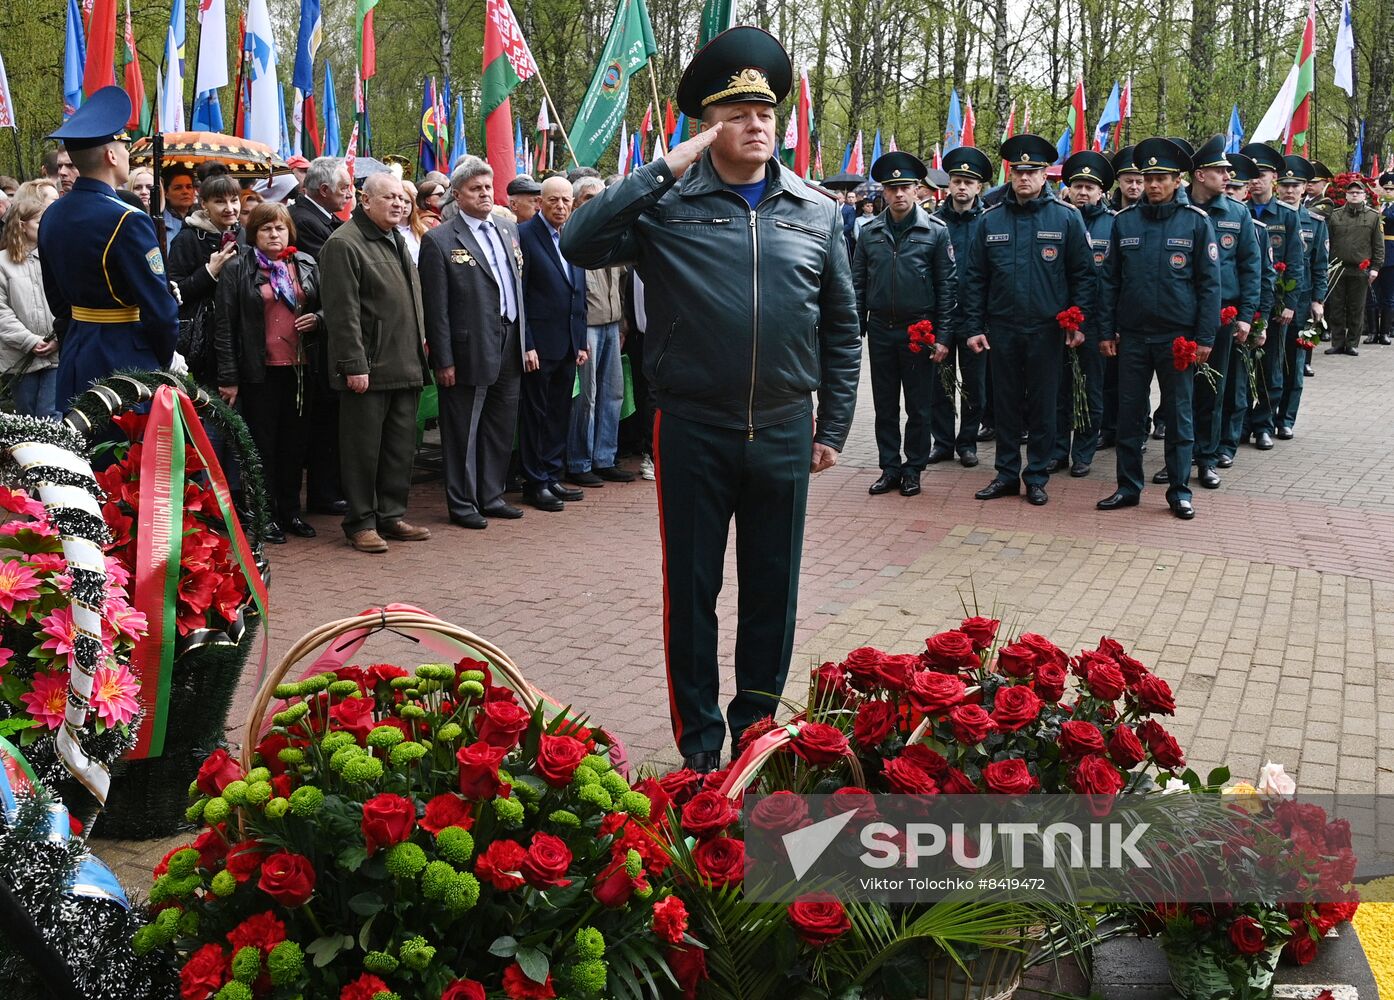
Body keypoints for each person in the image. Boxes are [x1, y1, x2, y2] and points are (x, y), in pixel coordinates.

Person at [562, 26, 860, 772]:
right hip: (693, 427)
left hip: (788, 429)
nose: (757, 125)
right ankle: (698, 749)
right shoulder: (667, 206)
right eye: (737, 114)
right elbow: (578, 240)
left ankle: (754, 735)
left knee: (772, 595)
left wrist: (838, 424)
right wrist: (665, 167)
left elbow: (843, 324)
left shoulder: (817, 211)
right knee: (692, 595)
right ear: (709, 127)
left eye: (766, 113)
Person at [960, 133, 1096, 507]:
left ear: (1045, 176)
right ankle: (1005, 473)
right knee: (1004, 404)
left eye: (1032, 171)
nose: (1024, 178)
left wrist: (1077, 322)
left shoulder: (1066, 218)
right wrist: (973, 327)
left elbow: (1083, 275)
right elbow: (975, 278)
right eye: (1018, 171)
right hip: (1001, 329)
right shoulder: (990, 219)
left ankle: (1036, 475)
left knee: (1043, 404)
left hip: (1046, 330)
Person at [1096, 137, 1220, 521]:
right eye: (1148, 177)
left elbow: (1209, 285)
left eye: (1161, 178)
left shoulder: (1196, 223)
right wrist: (1106, 330)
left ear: (1178, 180)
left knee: (1180, 418)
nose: (1152, 185)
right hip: (1132, 337)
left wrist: (1204, 338)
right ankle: (1128, 487)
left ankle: (1180, 491)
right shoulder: (1124, 222)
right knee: (1130, 415)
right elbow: (1110, 282)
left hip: (1177, 338)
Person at [37, 87, 179, 407]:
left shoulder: (52, 215)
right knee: (123, 455)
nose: (128, 154)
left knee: (81, 455)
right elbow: (161, 312)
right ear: (111, 155)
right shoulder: (129, 220)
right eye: (124, 145)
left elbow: (58, 303)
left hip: (76, 355)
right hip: (126, 362)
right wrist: (160, 359)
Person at [320, 173, 432, 553]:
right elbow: (342, 312)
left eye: (402, 198)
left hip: (405, 363)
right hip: (369, 367)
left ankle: (391, 515)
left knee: (400, 449)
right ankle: (361, 522)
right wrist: (354, 364)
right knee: (362, 451)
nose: (400, 204)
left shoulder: (397, 239)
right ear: (365, 201)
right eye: (390, 197)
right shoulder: (345, 244)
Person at [419, 156, 528, 529]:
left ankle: (491, 495)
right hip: (468, 347)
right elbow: (437, 308)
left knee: (500, 424)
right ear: (457, 195)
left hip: (510, 339)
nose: (484, 194)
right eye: (475, 189)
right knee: (463, 429)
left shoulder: (507, 229)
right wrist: (443, 359)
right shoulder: (439, 240)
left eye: (487, 187)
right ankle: (463, 503)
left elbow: (517, 288)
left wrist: (525, 341)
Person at [214, 202, 321, 543]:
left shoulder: (303, 263)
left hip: (300, 370)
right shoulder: (238, 268)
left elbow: (328, 307)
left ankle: (290, 511)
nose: (274, 234)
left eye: (280, 228)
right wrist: (228, 378)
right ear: (253, 233)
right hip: (258, 371)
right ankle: (264, 516)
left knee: (296, 445)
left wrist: (318, 320)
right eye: (266, 228)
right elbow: (225, 326)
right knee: (262, 447)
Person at [852, 151, 955, 498]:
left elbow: (946, 287)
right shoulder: (870, 232)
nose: (898, 194)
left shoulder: (936, 232)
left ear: (917, 190)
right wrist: (856, 329)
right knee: (884, 404)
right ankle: (889, 467)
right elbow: (858, 284)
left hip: (919, 331)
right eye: (892, 187)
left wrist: (943, 336)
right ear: (883, 191)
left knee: (918, 406)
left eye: (905, 187)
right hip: (881, 328)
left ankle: (913, 469)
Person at [1184, 136, 1261, 492]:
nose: (1228, 176)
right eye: (1220, 170)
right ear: (1200, 174)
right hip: (1180, 316)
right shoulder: (1175, 207)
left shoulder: (1237, 212)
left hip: (1221, 318)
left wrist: (1246, 315)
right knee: (1178, 395)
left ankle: (1206, 459)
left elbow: (1251, 267)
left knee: (1212, 394)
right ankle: (1178, 460)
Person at [517, 175, 587, 512]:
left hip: (568, 342)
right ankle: (534, 481)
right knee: (536, 414)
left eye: (566, 201)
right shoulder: (526, 236)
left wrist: (582, 340)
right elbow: (521, 295)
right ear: (539, 202)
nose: (561, 206)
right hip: (539, 345)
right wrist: (527, 342)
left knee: (560, 412)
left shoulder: (573, 236)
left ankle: (552, 473)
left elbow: (579, 289)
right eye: (554, 200)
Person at [290, 156, 354, 517]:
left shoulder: (322, 218)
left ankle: (329, 489)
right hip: (312, 335)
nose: (349, 193)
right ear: (325, 189)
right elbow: (327, 274)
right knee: (323, 419)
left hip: (323, 330)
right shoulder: (306, 220)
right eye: (344, 187)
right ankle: (323, 492)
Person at [563, 175, 634, 488]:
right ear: (577, 202)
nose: (596, 202)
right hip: (587, 326)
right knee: (587, 398)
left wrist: (623, 322)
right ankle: (580, 461)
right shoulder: (572, 235)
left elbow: (620, 283)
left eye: (601, 197)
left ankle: (605, 457)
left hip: (611, 323)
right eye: (589, 197)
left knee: (613, 393)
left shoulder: (611, 233)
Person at [1052, 150, 1116, 478]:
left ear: (1101, 191)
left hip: (1096, 321)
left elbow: (1118, 278)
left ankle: (1084, 451)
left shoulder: (1113, 224)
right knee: (1060, 388)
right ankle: (1058, 449)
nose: (1083, 192)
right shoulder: (1059, 218)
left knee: (1091, 388)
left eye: (1091, 187)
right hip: (1060, 320)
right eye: (1078, 185)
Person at [1239, 142, 1305, 449]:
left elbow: (1295, 263)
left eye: (1261, 174)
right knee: (1241, 365)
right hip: (1243, 303)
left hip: (1276, 304)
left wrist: (1290, 303)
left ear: (1273, 178)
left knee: (1270, 367)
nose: (1255, 180)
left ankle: (1263, 423)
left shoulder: (1288, 216)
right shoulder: (1239, 211)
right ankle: (1238, 423)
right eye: (1250, 175)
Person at [933, 146, 992, 467]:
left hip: (976, 320)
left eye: (968, 182)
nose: (962, 187)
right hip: (941, 318)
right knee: (939, 386)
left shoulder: (989, 222)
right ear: (949, 185)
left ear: (978, 187)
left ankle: (966, 442)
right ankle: (941, 442)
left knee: (975, 387)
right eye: (957, 181)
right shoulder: (932, 221)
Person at [168, 173, 242, 388]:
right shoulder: (188, 238)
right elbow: (176, 291)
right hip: (204, 342)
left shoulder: (243, 234)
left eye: (234, 200)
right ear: (204, 204)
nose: (229, 207)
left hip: (238, 335)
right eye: (220, 201)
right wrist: (210, 272)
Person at [1274, 155, 1328, 437]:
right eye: (1284, 184)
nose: (1290, 190)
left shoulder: (1316, 223)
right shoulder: (1270, 218)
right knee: (1270, 362)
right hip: (1272, 300)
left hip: (1303, 301)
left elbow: (1320, 265)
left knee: (1294, 363)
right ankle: (1264, 415)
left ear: (1305, 187)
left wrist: (1318, 300)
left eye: (1295, 185)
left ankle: (1286, 419)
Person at [0, 184, 61, 419]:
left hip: (55, 354)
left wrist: (56, 338)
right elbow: (2, 312)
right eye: (39, 222)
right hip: (20, 356)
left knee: (50, 416)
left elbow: (67, 299)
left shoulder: (54, 257)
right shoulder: (3, 263)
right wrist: (30, 341)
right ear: (22, 226)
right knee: (27, 417)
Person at [1324, 174, 1384, 355]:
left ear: (1364, 196)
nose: (1355, 195)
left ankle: (1352, 343)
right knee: (1336, 307)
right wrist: (1326, 266)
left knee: (1356, 307)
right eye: (1351, 193)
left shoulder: (1373, 217)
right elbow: (1327, 243)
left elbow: (1378, 245)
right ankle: (1337, 342)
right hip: (1337, 268)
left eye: (1358, 192)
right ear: (1346, 196)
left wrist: (1375, 268)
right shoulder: (1335, 216)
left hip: (1360, 269)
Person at [1369, 171, 1394, 345]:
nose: (1389, 192)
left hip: (1392, 252)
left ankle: (1385, 332)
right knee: (1371, 295)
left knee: (1388, 295)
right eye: (1386, 188)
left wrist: (1382, 209)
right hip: (1372, 254)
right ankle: (1372, 332)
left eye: (1392, 189)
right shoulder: (1373, 205)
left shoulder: (1386, 208)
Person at [161, 166, 197, 241]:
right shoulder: (160, 224)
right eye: (178, 188)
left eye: (189, 187)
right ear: (166, 193)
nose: (185, 192)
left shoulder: (200, 220)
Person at [396, 178, 426, 264]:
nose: (404, 206)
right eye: (401, 200)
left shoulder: (422, 229)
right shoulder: (387, 229)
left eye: (407, 202)